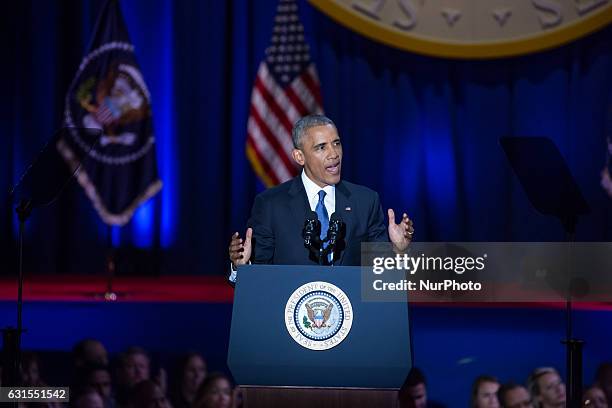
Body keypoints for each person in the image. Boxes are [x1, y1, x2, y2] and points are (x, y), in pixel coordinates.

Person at [229, 114, 413, 272]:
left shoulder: (365, 201)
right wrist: (242, 267)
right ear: (299, 157)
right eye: (321, 147)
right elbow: (259, 277)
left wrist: (399, 251)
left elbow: (380, 277)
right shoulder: (270, 204)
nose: (334, 154)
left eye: (336, 143)